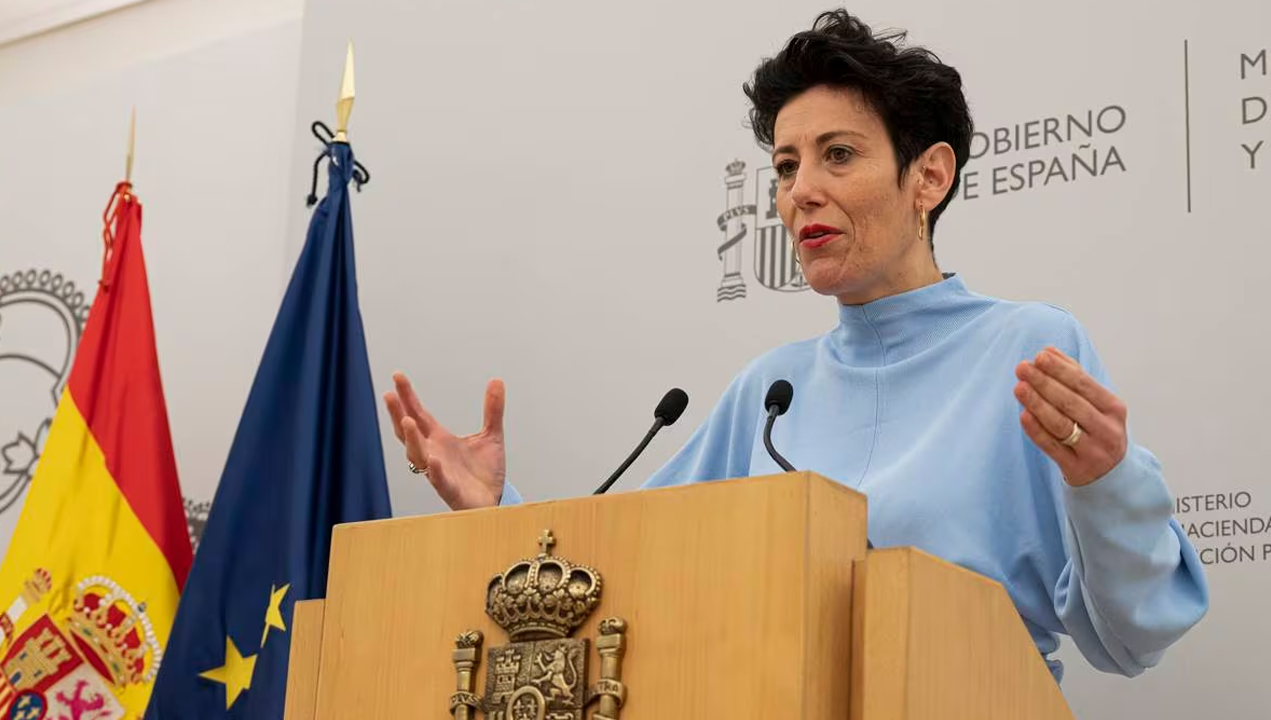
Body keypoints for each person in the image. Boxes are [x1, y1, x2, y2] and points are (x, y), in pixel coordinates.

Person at [382, 7, 1208, 683]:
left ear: (929, 176)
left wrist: (1105, 482)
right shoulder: (771, 391)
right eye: (784, 166)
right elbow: (625, 575)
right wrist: (499, 510)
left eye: (837, 155)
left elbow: (1131, 640)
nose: (800, 191)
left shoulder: (1028, 352)